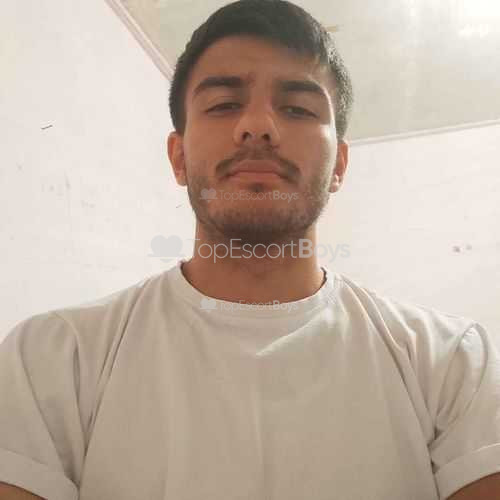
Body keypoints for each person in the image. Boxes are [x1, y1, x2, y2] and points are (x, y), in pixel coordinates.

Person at [1, 1, 499, 499]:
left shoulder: (454, 364)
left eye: (298, 109)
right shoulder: (52, 360)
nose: (258, 126)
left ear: (340, 166)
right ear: (178, 157)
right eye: (223, 105)